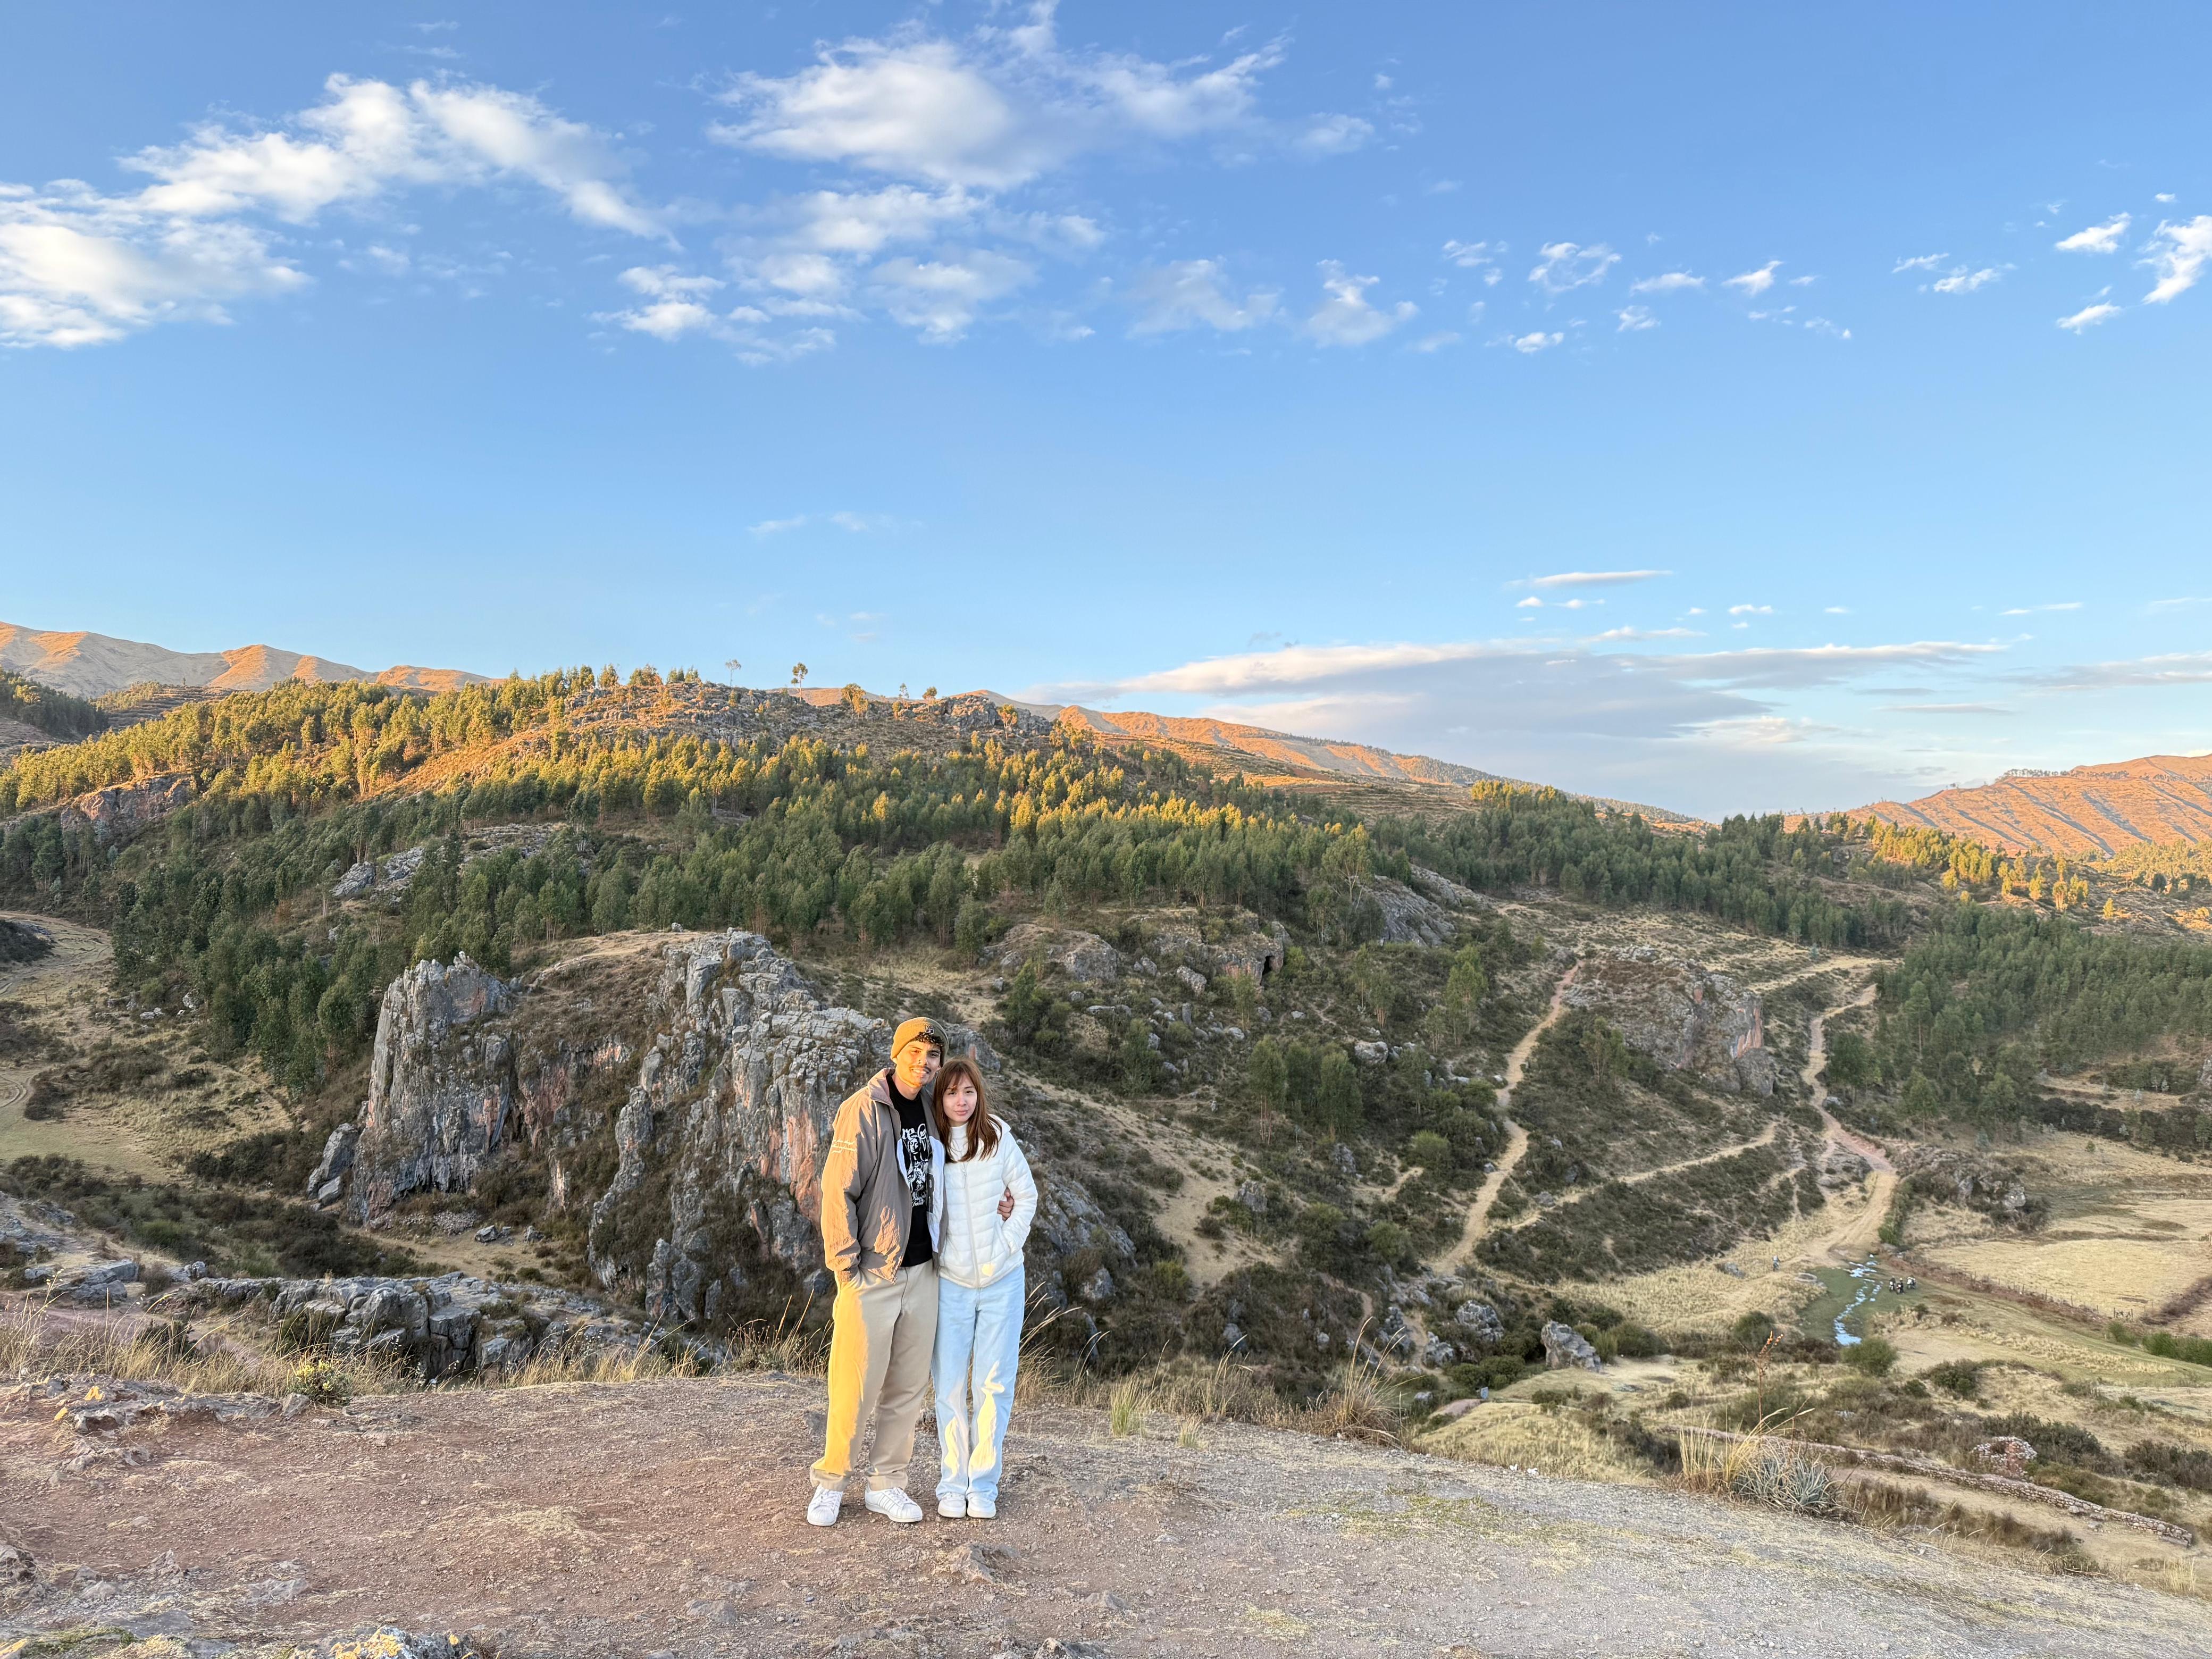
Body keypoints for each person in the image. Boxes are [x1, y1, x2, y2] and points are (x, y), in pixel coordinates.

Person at [807, 1016, 949, 1527]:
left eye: (932, 1056)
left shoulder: (932, 1110)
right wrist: (846, 1266)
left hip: (924, 1271)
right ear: (897, 1052)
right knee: (855, 1387)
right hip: (874, 1271)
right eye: (915, 1052)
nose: (923, 1063)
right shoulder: (864, 1109)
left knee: (907, 1388)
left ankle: (886, 1484)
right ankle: (831, 1483)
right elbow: (837, 1190)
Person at [928, 1055, 1038, 1521]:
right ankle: (952, 1485)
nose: (961, 1101)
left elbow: (1026, 1196)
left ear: (979, 1095)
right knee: (951, 1387)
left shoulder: (996, 1136)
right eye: (952, 1093)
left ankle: (983, 1485)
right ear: (941, 1098)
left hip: (1002, 1283)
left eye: (969, 1092)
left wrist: (1005, 1245)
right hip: (950, 1284)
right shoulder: (933, 1145)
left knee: (993, 1385)